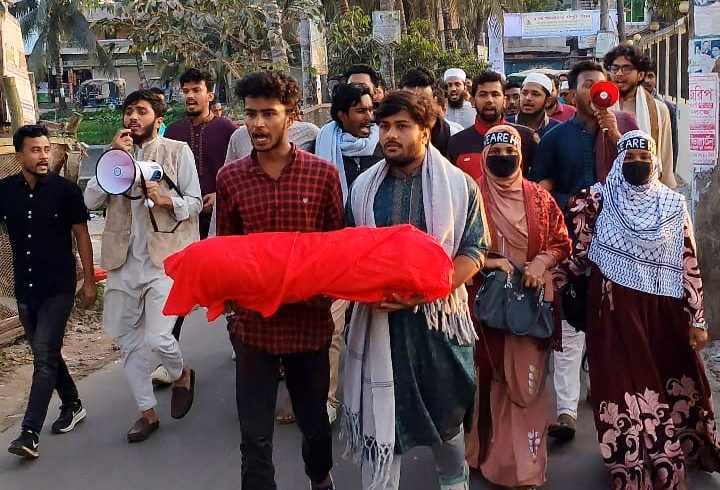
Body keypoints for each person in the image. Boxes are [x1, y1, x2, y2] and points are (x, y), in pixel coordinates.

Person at [555, 130, 720, 487]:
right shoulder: (598, 200)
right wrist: (553, 280)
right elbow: (580, 253)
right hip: (611, 311)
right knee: (616, 385)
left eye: (644, 157)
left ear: (655, 161)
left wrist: (697, 318)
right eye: (629, 158)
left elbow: (688, 261)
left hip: (661, 314)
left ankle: (670, 453)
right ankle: (628, 463)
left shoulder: (672, 205)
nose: (637, 163)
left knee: (660, 380)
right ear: (618, 161)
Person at [342, 91, 490, 490]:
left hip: (437, 328)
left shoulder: (459, 186)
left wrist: (426, 292)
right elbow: (349, 249)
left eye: (402, 126)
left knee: (446, 419)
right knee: (381, 420)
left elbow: (475, 249)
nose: (390, 135)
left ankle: (454, 481)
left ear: (425, 132)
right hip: (378, 324)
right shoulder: (363, 189)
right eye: (384, 126)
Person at [215, 71, 342, 490]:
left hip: (308, 324)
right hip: (253, 327)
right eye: (250, 114)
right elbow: (227, 250)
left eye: (268, 113)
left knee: (315, 425)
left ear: (291, 116)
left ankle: (320, 479)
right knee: (254, 435)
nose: (257, 124)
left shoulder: (322, 176)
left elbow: (333, 249)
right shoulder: (230, 179)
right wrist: (232, 308)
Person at [529, 60, 638, 443]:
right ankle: (566, 411)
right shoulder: (555, 137)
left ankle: (611, 398)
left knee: (613, 324)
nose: (594, 92)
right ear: (571, 93)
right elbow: (541, 188)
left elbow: (643, 174)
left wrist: (615, 135)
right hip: (571, 245)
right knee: (570, 326)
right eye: (587, 85)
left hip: (619, 246)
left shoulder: (626, 127)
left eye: (600, 85)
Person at [84, 90, 200, 443]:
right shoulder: (114, 156)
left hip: (163, 259)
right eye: (129, 111)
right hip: (121, 262)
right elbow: (90, 199)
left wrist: (165, 200)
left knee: (159, 337)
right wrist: (112, 157)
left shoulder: (177, 152)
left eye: (142, 111)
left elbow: (195, 202)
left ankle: (180, 373)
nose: (133, 117)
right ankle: (146, 412)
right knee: (128, 342)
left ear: (158, 119)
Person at [464, 125, 571, 488]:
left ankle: (526, 468)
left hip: (530, 306)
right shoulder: (470, 196)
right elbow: (454, 244)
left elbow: (561, 241)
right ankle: (487, 457)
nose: (502, 158)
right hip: (486, 307)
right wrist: (488, 262)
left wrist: (540, 263)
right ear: (484, 156)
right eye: (494, 152)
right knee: (490, 379)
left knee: (527, 385)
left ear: (521, 156)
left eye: (509, 151)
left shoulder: (539, 198)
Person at [2, 125, 96, 459]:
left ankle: (29, 433)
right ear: (19, 156)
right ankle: (72, 403)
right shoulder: (5, 191)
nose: (43, 156)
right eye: (35, 150)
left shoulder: (64, 191)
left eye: (46, 150)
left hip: (59, 286)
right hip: (26, 288)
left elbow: (82, 234)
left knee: (43, 354)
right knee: (48, 354)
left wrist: (88, 281)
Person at [314, 82, 383, 425]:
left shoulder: (384, 145)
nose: (369, 117)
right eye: (360, 111)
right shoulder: (320, 146)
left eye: (371, 109)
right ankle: (326, 399)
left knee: (382, 327)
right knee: (331, 328)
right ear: (341, 115)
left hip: (377, 250)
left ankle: (383, 396)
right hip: (336, 250)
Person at [164, 68, 237, 239]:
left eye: (196, 90)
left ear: (209, 96)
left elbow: (241, 171)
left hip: (218, 215)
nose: (190, 96)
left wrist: (220, 196)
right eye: (186, 91)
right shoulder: (173, 131)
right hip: (181, 217)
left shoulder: (227, 129)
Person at [604, 44, 675, 188]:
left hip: (648, 189)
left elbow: (665, 154)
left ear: (640, 75)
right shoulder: (602, 107)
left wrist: (666, 188)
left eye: (626, 68)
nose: (619, 74)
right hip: (609, 187)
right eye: (615, 68)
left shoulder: (659, 109)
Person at [448, 70, 538, 179]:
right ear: (472, 101)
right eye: (483, 95)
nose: (489, 100)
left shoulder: (526, 137)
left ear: (504, 100)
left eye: (495, 95)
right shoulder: (456, 143)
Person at [400, 67, 461, 157]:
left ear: (434, 101)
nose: (416, 108)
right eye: (409, 102)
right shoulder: (390, 134)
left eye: (423, 101)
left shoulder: (452, 135)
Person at [642, 67, 679, 171]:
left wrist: (670, 172)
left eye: (650, 76)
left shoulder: (666, 108)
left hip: (659, 169)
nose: (647, 81)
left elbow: (672, 144)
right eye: (643, 77)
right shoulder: (629, 106)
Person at [506, 72, 560, 137]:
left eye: (535, 94)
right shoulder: (505, 126)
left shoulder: (558, 129)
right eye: (524, 93)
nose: (528, 98)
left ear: (547, 101)